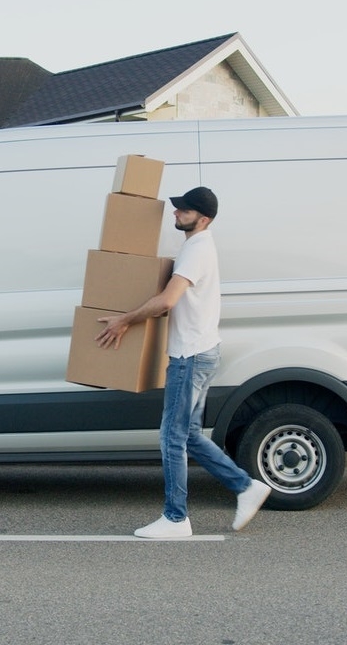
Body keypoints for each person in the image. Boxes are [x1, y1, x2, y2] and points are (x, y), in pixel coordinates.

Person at [95, 186, 271, 538]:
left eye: (184, 210)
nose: (176, 213)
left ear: (202, 219)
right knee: (187, 433)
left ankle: (176, 518)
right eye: (178, 209)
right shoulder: (196, 247)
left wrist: (124, 320)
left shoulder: (198, 249)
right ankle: (246, 486)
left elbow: (166, 302)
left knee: (171, 437)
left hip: (190, 356)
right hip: (202, 350)